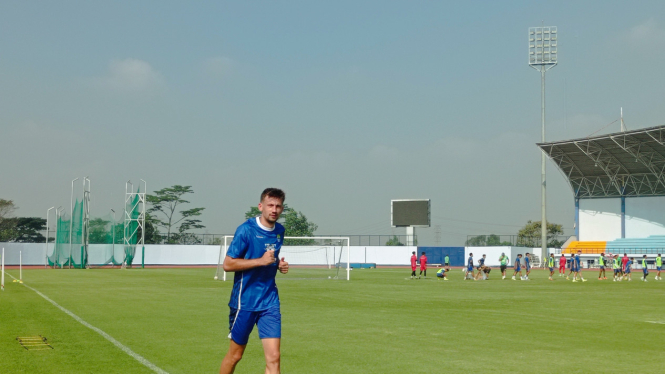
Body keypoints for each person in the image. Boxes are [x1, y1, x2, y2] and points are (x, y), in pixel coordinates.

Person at [220, 188, 290, 374]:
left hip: (269, 302)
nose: (274, 209)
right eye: (270, 205)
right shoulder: (245, 230)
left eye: (278, 206)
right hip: (245, 302)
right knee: (236, 355)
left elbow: (272, 258)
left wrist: (278, 266)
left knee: (274, 357)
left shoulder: (280, 231)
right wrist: (261, 261)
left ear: (282, 209)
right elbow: (227, 264)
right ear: (261, 206)